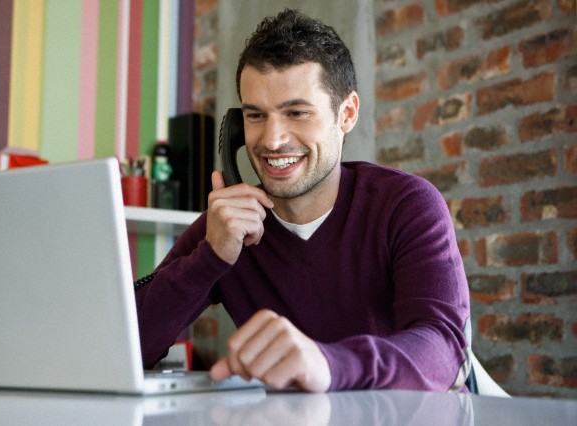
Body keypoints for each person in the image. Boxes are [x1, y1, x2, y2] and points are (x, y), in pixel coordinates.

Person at [134, 9, 471, 393]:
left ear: (346, 114)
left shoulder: (405, 205)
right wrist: (209, 258)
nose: (272, 139)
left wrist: (328, 364)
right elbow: (127, 348)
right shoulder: (227, 227)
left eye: (296, 112)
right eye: (255, 115)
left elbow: (444, 351)